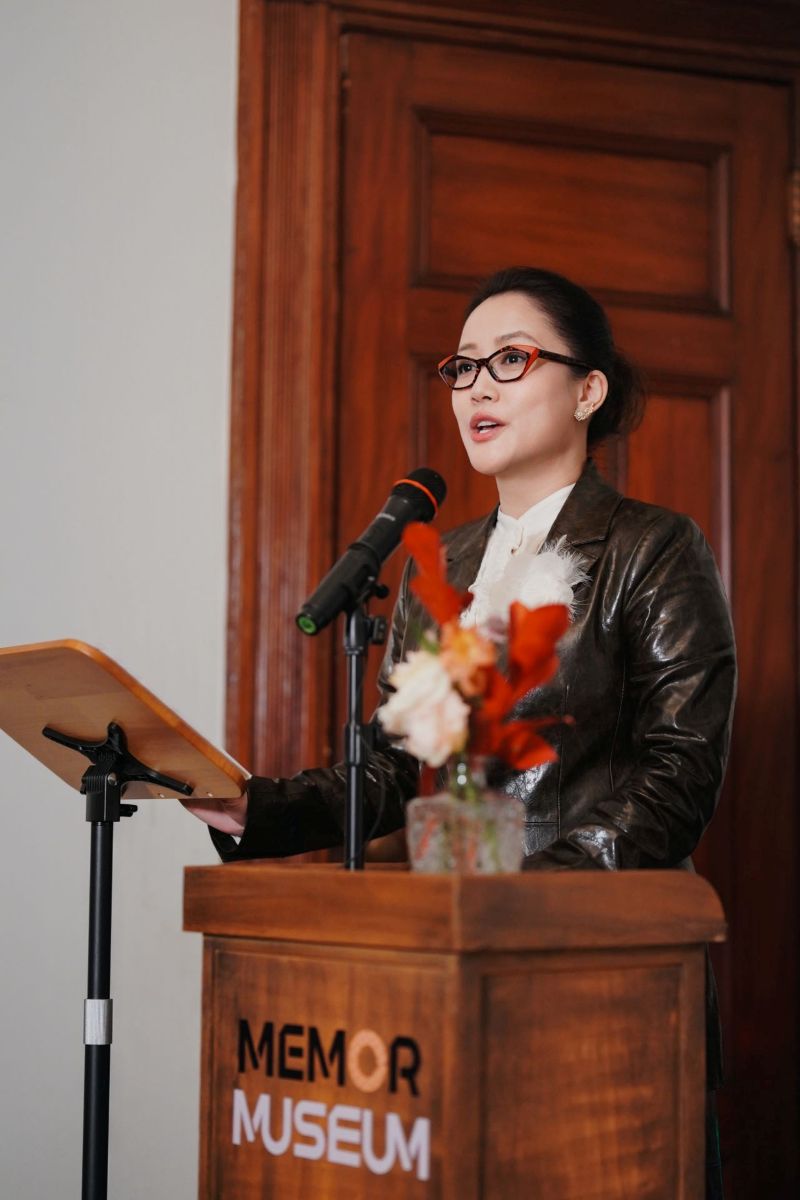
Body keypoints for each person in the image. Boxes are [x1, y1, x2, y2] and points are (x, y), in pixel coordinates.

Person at [183, 266, 735, 1197]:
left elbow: (680, 772)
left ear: (588, 390)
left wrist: (523, 898)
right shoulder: (446, 565)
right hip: (450, 958)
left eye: (510, 360)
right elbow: (403, 766)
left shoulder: (654, 547)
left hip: (601, 960)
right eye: (462, 366)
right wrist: (258, 809)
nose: (475, 386)